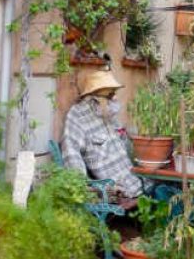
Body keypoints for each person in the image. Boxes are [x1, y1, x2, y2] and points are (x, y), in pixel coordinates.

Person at [61, 67, 143, 198]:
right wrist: (83, 187)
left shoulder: (108, 112)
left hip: (134, 181)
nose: (115, 97)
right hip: (116, 189)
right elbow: (71, 153)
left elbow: (123, 142)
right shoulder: (78, 115)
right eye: (111, 94)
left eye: (114, 93)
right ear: (96, 97)